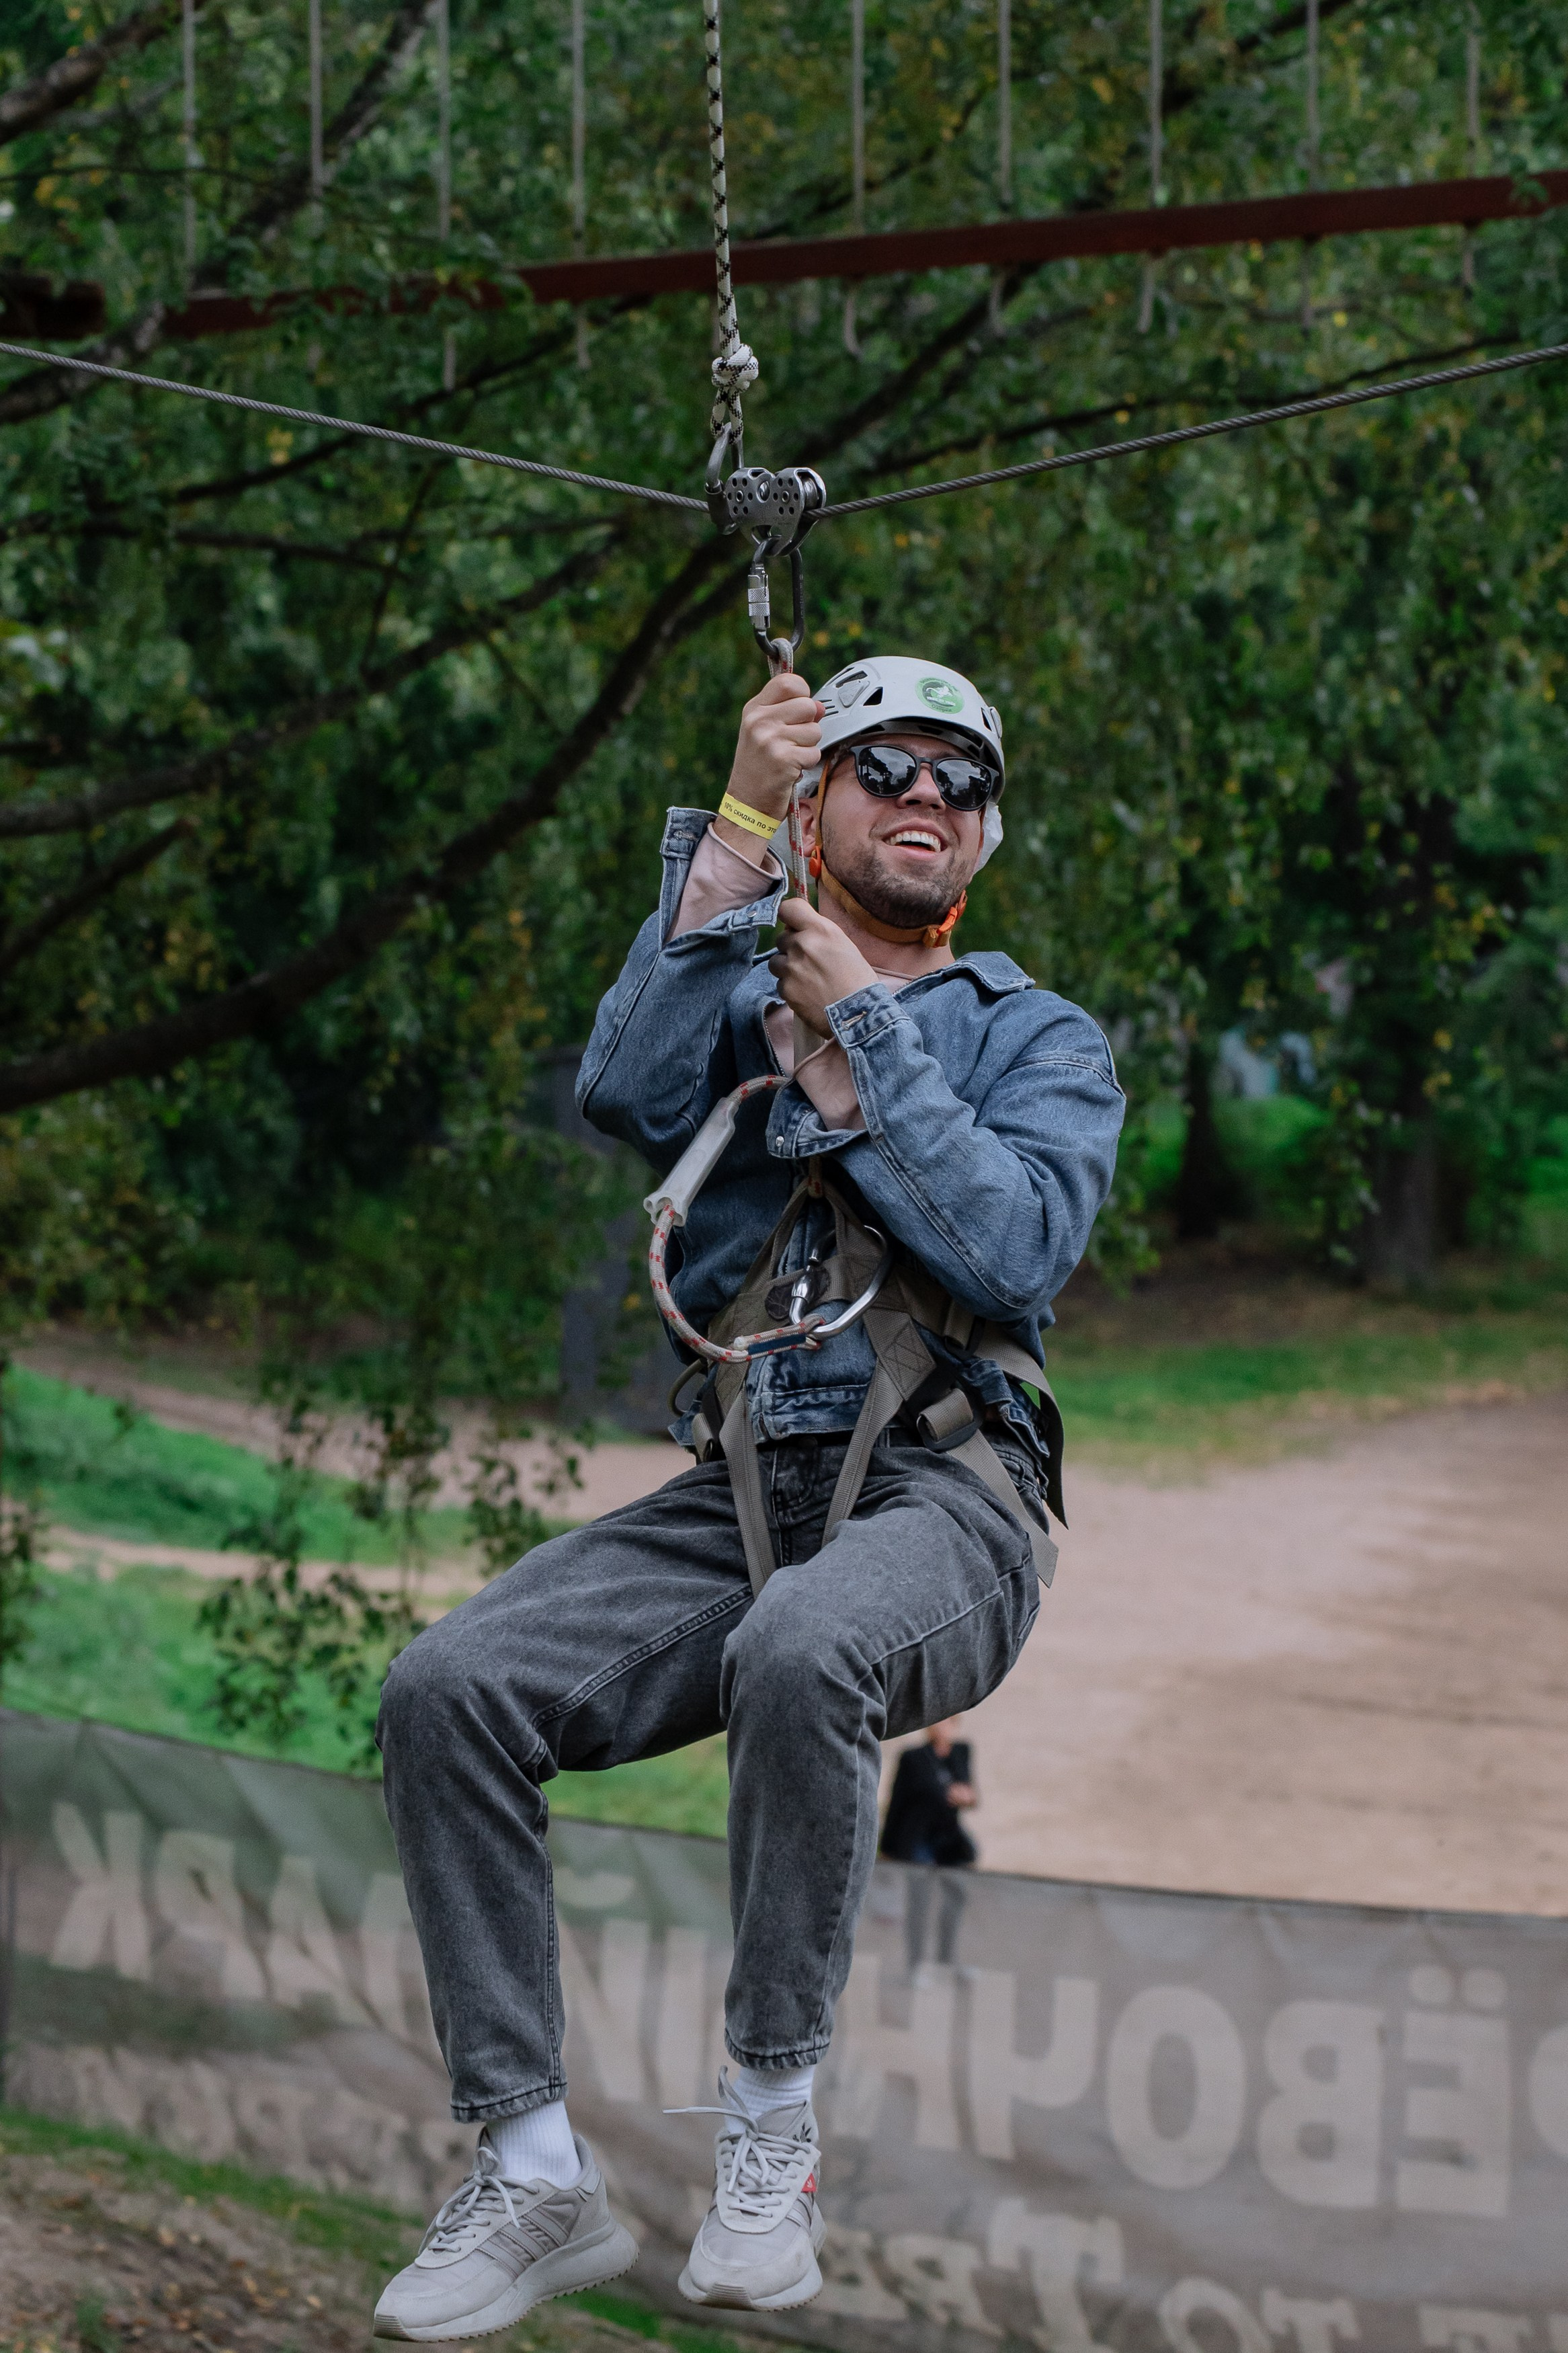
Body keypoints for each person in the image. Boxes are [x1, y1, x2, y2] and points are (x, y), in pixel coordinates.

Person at [370, 655, 1124, 2341]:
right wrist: (723, 839)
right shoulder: (731, 1004)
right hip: (740, 1492)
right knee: (447, 1692)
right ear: (818, 802)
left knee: (802, 1648)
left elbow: (1015, 1245)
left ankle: (768, 2138)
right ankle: (532, 2162)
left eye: (962, 783)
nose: (929, 796)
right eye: (887, 770)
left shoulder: (1033, 1036)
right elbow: (620, 1091)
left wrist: (861, 1026)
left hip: (948, 1498)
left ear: (983, 844)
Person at [881, 1716, 978, 1971]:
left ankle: (946, 1957)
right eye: (938, 1722)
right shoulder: (913, 1757)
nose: (941, 1727)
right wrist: (887, 1846)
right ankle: (915, 1965)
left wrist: (967, 1796)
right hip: (918, 1840)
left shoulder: (961, 1751)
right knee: (920, 1904)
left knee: (957, 1894)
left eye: (948, 1723)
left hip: (948, 1839)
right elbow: (897, 1801)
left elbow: (969, 1791)